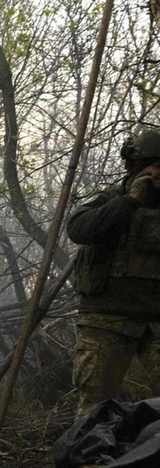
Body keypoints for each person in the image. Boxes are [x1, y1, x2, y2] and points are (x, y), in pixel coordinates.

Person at [67, 128, 160, 416]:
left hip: (157, 320)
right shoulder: (113, 199)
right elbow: (78, 229)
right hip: (107, 317)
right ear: (135, 166)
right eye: (157, 167)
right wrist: (129, 201)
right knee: (94, 408)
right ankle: (85, 459)